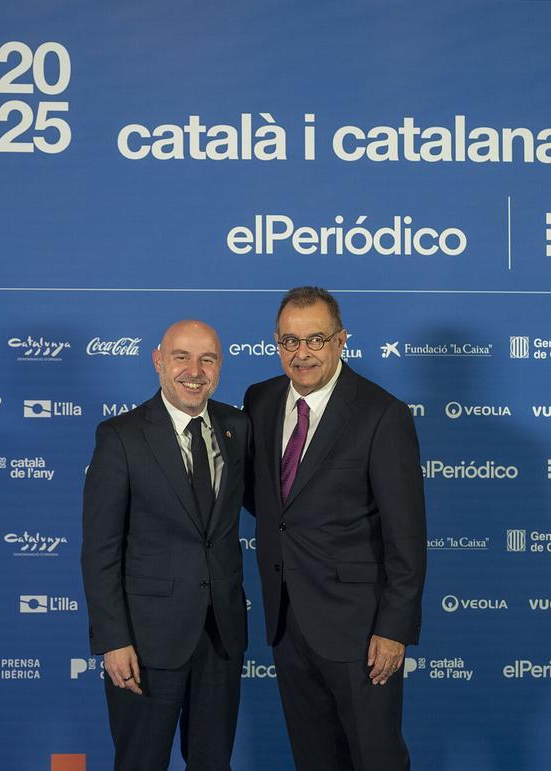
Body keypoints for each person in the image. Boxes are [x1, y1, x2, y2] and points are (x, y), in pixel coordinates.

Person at [243, 287, 426, 771]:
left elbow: (406, 538)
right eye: (289, 341)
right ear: (276, 343)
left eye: (316, 339)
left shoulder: (382, 415)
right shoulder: (259, 400)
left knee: (375, 758)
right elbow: (263, 501)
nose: (301, 354)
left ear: (341, 340)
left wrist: (393, 630)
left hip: (359, 630)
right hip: (286, 620)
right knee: (314, 759)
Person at [81, 320, 249, 771]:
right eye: (181, 357)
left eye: (207, 359)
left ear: (219, 367)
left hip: (221, 636)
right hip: (146, 643)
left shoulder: (237, 427)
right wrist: (114, 640)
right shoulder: (120, 437)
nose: (194, 371)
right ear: (158, 361)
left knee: (214, 763)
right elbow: (100, 551)